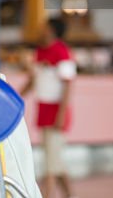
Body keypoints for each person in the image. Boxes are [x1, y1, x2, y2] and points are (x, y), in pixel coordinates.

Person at [20, 17, 76, 198]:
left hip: (56, 112)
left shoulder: (62, 52)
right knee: (55, 160)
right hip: (43, 111)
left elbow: (68, 85)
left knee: (51, 164)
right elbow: (34, 80)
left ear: (52, 30)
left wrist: (61, 114)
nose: (41, 30)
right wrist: (17, 97)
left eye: (44, 27)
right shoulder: (40, 52)